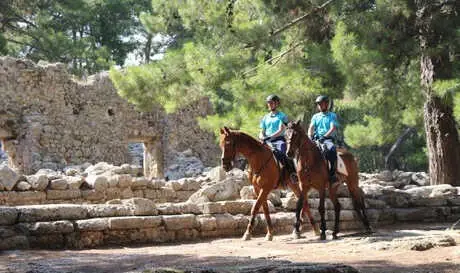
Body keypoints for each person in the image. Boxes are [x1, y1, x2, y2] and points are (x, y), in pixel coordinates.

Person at [259, 94, 297, 182]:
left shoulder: (282, 116)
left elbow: (281, 129)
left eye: (272, 103)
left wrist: (269, 137)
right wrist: (262, 137)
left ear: (277, 104)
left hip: (279, 140)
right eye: (269, 103)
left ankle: (292, 173)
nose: (270, 105)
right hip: (266, 141)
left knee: (284, 153)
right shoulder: (265, 117)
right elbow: (262, 130)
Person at [308, 95, 339, 184]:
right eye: (319, 104)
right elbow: (311, 127)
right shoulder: (315, 116)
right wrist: (310, 136)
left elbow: (332, 128)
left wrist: (324, 136)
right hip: (316, 139)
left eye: (322, 104)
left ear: (327, 104)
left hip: (327, 139)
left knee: (331, 149)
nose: (320, 106)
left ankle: (333, 174)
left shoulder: (332, 115)